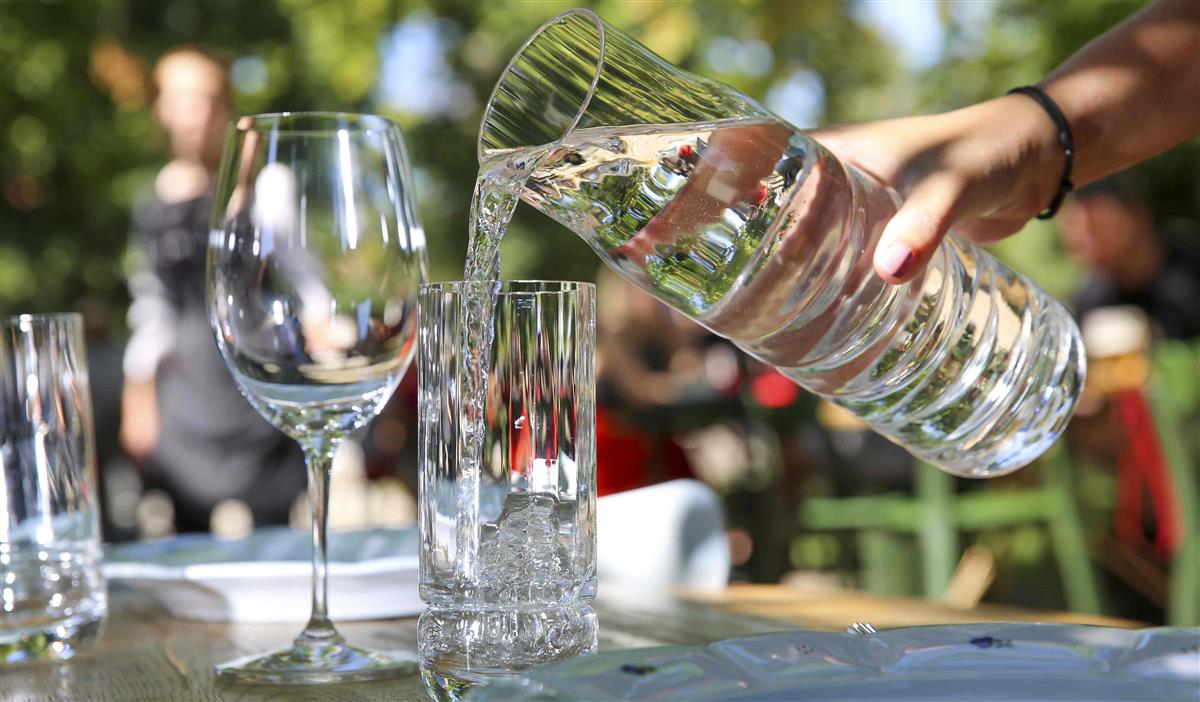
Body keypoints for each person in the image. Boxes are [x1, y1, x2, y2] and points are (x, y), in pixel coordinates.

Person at [808, 0, 1200, 284]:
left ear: (1136, 216)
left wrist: (1035, 135)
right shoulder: (1097, 298)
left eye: (1092, 226)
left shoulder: (1186, 262)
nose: (1082, 243)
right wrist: (1041, 140)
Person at [120, 47, 305, 533]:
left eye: (204, 98)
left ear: (224, 107)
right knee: (188, 534)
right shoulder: (152, 203)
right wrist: (138, 399)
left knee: (275, 532)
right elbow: (151, 309)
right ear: (160, 109)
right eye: (178, 98)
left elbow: (303, 278)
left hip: (258, 379)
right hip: (188, 390)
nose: (192, 112)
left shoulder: (267, 187)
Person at [1059, 177, 1200, 341]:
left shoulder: (1191, 261)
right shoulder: (1093, 307)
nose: (1084, 244)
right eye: (1075, 229)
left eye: (1096, 227)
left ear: (1138, 216)